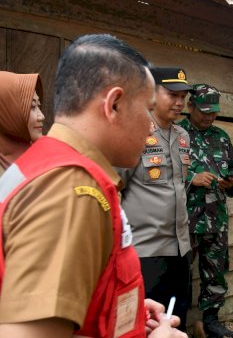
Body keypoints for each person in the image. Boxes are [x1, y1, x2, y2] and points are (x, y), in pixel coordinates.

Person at [0, 34, 186, 337]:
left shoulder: (46, 164)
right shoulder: (71, 190)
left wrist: (123, 307)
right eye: (147, 110)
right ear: (113, 104)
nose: (150, 126)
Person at [118, 67, 192, 332]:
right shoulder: (135, 133)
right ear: (153, 93)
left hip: (180, 249)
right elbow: (116, 188)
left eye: (183, 96)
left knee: (177, 318)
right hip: (146, 251)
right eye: (173, 94)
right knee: (143, 324)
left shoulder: (183, 136)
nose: (179, 102)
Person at [178, 84, 233, 338]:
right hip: (184, 220)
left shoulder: (221, 136)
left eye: (214, 112)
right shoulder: (177, 133)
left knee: (215, 270)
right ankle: (175, 324)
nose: (209, 117)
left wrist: (232, 182)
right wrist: (191, 178)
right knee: (180, 273)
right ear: (190, 107)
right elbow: (159, 174)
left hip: (216, 219)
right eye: (204, 111)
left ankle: (211, 321)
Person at [0, 71, 45, 175]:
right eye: (32, 107)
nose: (42, 116)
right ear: (8, 111)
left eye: (39, 105)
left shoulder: (44, 154)